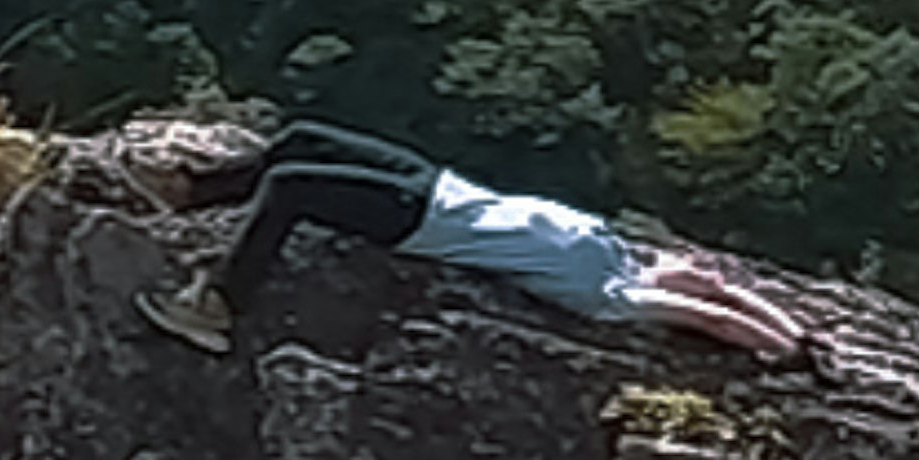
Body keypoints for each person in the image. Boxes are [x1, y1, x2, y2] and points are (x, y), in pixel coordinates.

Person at [141, 119, 810, 361]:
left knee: (290, 184)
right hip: (441, 185)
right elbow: (716, 288)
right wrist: (794, 324)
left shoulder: (607, 294)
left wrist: (787, 349)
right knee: (303, 137)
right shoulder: (618, 252)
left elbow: (709, 312)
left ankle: (217, 308)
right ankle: (192, 195)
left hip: (422, 222)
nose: (687, 274)